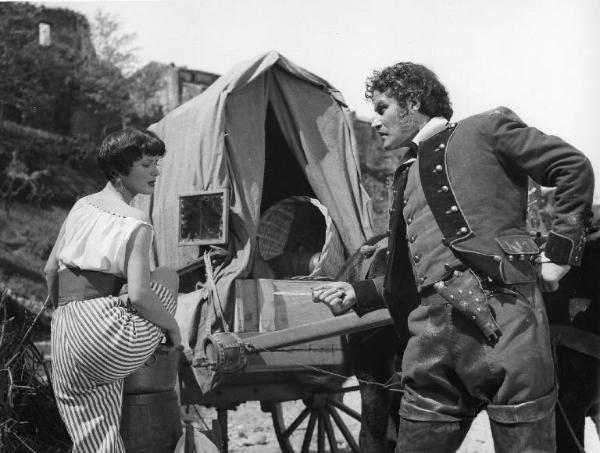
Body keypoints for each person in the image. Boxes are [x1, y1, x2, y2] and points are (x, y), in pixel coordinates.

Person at [314, 62, 594, 452]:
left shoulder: (486, 130)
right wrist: (359, 294)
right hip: (430, 346)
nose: (375, 122)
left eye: (382, 108)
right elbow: (419, 270)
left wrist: (559, 252)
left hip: (507, 327)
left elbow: (572, 167)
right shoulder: (406, 173)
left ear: (412, 101)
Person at [44, 128, 182, 452]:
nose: (156, 172)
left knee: (94, 441)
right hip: (109, 339)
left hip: (65, 335)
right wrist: (172, 328)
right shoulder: (136, 220)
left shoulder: (80, 206)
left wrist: (66, 316)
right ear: (121, 168)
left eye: (156, 164)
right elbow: (139, 295)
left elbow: (50, 270)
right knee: (166, 275)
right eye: (148, 165)